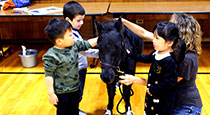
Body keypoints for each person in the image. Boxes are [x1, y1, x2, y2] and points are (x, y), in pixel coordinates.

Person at [119, 21, 186, 114]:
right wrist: (132, 55)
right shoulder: (157, 52)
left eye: (157, 38)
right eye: (153, 37)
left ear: (169, 43)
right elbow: (147, 58)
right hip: (152, 96)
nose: (153, 40)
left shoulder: (169, 61)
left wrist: (154, 89)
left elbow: (170, 81)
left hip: (163, 101)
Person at [43, 18, 98, 115]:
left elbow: (87, 44)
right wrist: (51, 94)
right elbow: (49, 75)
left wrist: (101, 37)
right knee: (64, 112)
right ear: (59, 41)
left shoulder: (74, 45)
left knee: (74, 110)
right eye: (70, 35)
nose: (73, 37)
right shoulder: (51, 56)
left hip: (75, 89)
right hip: (62, 94)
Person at [63, 1, 99, 114]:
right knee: (75, 95)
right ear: (68, 20)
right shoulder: (71, 36)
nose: (82, 23)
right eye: (78, 20)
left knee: (78, 94)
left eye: (83, 19)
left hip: (80, 70)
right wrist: (104, 53)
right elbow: (86, 51)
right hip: (76, 72)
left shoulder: (74, 32)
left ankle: (74, 110)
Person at [169, 13, 203, 115]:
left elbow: (166, 83)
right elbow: (144, 33)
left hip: (187, 108)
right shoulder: (178, 51)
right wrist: (124, 22)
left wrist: (137, 80)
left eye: (171, 25)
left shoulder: (187, 59)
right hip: (177, 105)